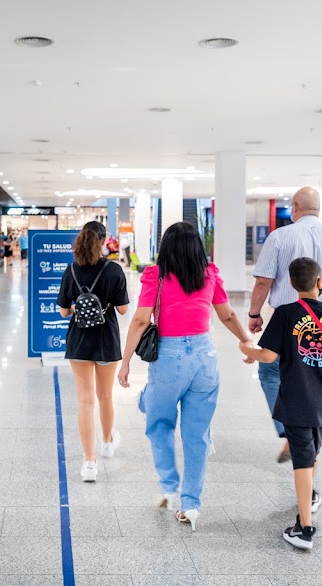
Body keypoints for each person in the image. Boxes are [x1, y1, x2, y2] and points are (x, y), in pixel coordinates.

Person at [118, 222, 252, 529]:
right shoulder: (209, 274)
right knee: (197, 435)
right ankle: (191, 505)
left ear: (166, 248)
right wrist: (245, 341)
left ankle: (168, 486)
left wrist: (125, 362)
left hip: (169, 357)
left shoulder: (157, 275)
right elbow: (227, 314)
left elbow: (140, 320)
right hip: (205, 358)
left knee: (159, 423)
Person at [240, 257, 322, 551]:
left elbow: (268, 356)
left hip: (295, 398)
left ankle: (304, 528)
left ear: (291, 284)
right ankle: (309, 500)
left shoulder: (285, 313)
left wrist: (246, 349)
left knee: (305, 460)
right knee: (311, 453)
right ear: (320, 282)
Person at [248, 187, 322, 463]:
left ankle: (290, 432)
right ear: (319, 208)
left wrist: (254, 314)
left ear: (295, 207)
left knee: (272, 373)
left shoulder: (279, 237)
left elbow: (264, 281)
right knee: (320, 376)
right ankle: (312, 437)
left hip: (287, 318)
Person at [58, 221, 129, 482]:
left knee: (85, 401)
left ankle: (89, 462)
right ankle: (108, 442)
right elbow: (123, 310)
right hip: (106, 340)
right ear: (103, 241)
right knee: (105, 396)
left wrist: (80, 307)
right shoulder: (113, 270)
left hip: (78, 340)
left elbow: (64, 311)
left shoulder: (71, 270)